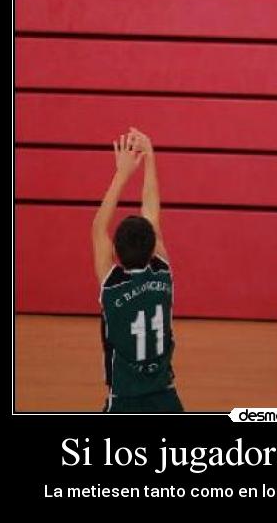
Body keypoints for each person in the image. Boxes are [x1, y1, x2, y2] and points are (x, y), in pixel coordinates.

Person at [92, 127, 184, 413]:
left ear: (115, 253)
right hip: (165, 397)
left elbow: (97, 229)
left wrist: (122, 174)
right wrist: (150, 156)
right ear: (153, 245)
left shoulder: (113, 285)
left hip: (124, 400)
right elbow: (152, 214)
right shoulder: (162, 276)